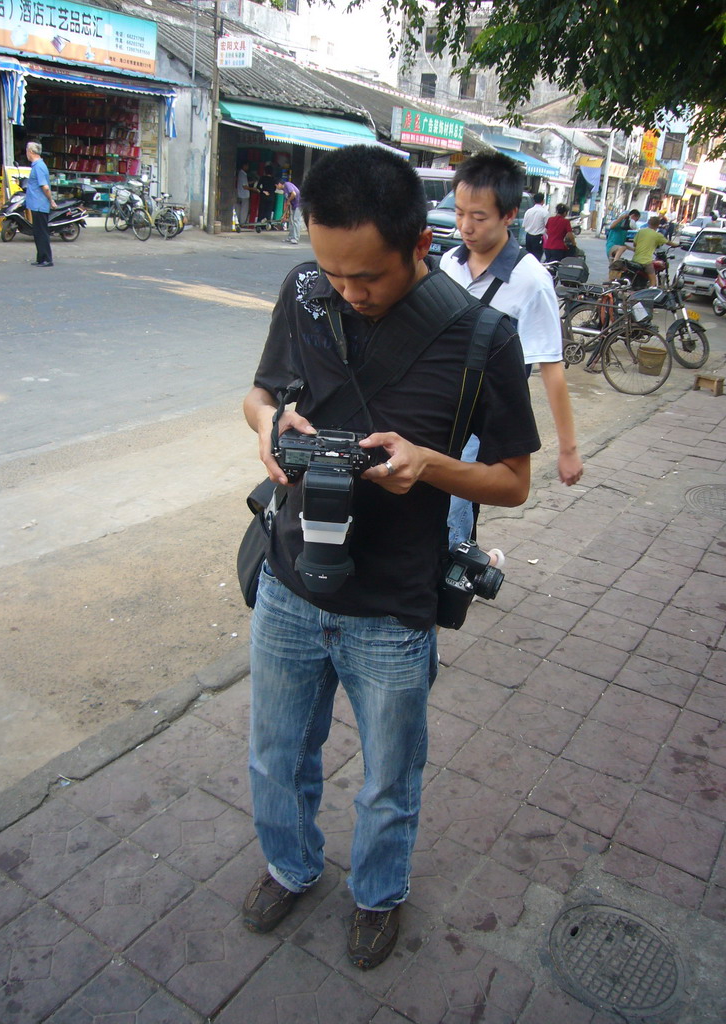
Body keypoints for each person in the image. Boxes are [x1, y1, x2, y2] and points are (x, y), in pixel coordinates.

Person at [241, 144, 540, 969]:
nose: (346, 291)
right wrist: (268, 427)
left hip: (395, 607)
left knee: (387, 777)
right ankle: (290, 865)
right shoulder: (304, 294)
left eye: (365, 277)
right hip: (293, 580)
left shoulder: (484, 337)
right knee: (275, 754)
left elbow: (514, 483)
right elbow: (259, 393)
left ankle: (377, 895)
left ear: (418, 245)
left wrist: (430, 464)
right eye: (331, 271)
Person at [439, 152, 583, 552]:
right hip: (439, 408)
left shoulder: (531, 280)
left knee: (455, 503)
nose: (465, 226)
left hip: (483, 418)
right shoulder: (449, 263)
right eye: (461, 213)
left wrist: (568, 450)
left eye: (479, 217)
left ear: (509, 215)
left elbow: (551, 367)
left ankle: (455, 574)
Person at [24, 141, 56, 268]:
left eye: (27, 151)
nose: (26, 153)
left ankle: (47, 259)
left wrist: (51, 200)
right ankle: (41, 257)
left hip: (40, 204)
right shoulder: (36, 166)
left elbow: (45, 187)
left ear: (31, 152)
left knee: (42, 232)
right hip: (35, 204)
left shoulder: (39, 167)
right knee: (37, 232)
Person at [632, 215, 679, 286]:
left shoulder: (640, 231)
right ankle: (651, 291)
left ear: (648, 223)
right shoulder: (657, 235)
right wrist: (677, 245)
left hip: (635, 260)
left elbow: (634, 244)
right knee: (653, 281)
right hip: (645, 261)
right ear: (657, 225)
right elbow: (669, 243)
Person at [522, 192, 549, 260]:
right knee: (537, 257)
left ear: (534, 201)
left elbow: (524, 225)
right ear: (543, 201)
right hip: (538, 237)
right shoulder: (545, 212)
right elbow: (547, 226)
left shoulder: (528, 211)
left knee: (529, 256)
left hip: (528, 236)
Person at [255, 164, 277, 231]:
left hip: (264, 197)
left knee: (261, 211)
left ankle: (259, 225)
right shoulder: (273, 179)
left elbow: (258, 187)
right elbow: (274, 188)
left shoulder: (263, 178)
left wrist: (263, 191)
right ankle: (267, 225)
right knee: (268, 212)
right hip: (271, 197)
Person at [281, 178, 302, 244]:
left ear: (279, 184)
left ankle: (296, 238)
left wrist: (288, 200)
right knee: (291, 220)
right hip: (293, 205)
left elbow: (294, 194)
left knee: (296, 220)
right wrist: (284, 215)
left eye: (276, 185)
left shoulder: (287, 184)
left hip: (299, 204)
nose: (276, 187)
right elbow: (287, 203)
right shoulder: (284, 190)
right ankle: (291, 237)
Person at [236, 161, 252, 227]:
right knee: (244, 210)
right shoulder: (242, 174)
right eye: (247, 166)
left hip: (240, 194)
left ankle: (239, 222)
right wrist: (254, 189)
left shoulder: (241, 174)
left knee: (240, 209)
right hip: (244, 195)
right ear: (244, 166)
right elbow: (245, 186)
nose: (248, 167)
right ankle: (242, 223)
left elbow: (245, 184)